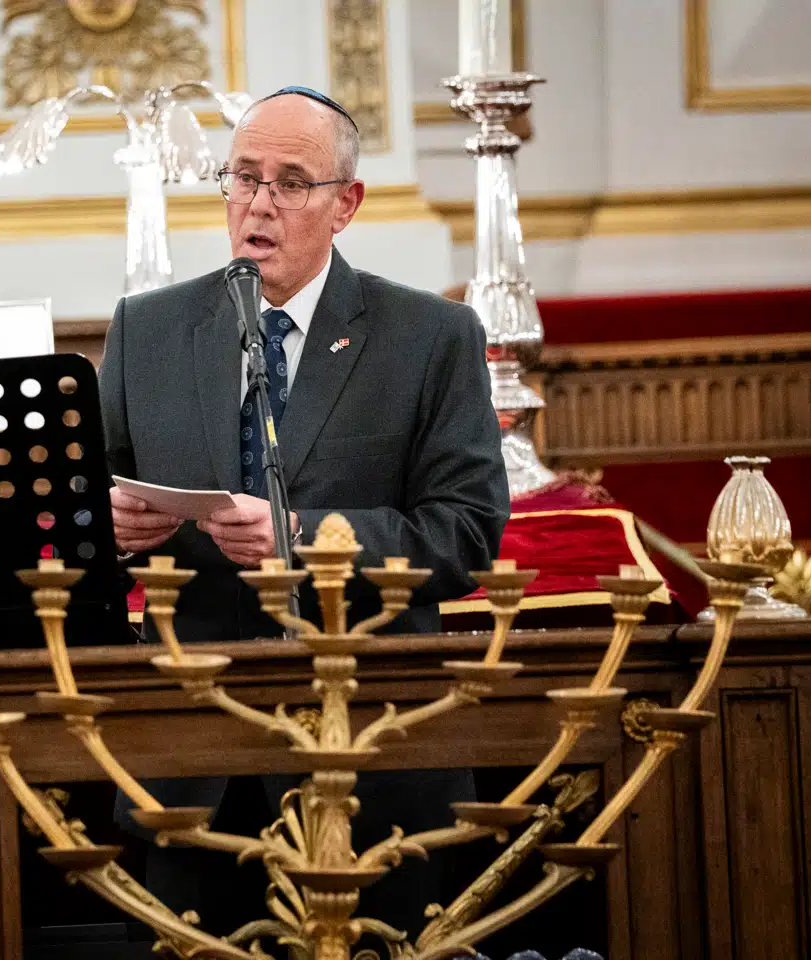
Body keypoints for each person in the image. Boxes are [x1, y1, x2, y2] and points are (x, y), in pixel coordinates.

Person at [97, 86, 510, 934]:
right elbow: (81, 521)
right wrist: (109, 532)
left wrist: (303, 539)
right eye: (243, 178)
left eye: (290, 182)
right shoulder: (149, 331)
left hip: (373, 748)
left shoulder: (431, 337)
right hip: (194, 759)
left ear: (345, 204)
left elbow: (466, 533)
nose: (258, 204)